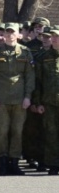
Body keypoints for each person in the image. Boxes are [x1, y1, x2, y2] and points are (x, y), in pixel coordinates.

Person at [0, 22, 35, 175]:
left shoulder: (25, 52)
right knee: (2, 131)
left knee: (17, 131)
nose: (9, 35)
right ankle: (2, 162)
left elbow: (30, 77)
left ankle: (14, 162)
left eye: (12, 32)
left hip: (20, 100)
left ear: (18, 34)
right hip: (1, 100)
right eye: (7, 32)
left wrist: (28, 97)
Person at [35, 28, 59, 175]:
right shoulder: (43, 57)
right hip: (49, 102)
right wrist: (38, 102)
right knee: (51, 134)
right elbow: (38, 82)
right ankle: (53, 164)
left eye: (57, 37)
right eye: (53, 37)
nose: (55, 39)